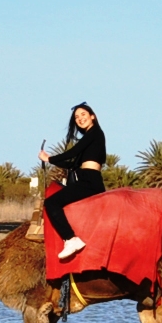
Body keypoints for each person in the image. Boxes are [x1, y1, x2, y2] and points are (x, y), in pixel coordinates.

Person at [39, 102, 106, 262]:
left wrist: (50, 158)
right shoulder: (91, 139)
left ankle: (70, 239)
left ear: (92, 116)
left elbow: (73, 152)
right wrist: (51, 161)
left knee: (51, 203)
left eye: (83, 114)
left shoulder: (95, 132)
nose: (80, 118)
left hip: (89, 182)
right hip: (87, 179)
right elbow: (73, 164)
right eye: (77, 117)